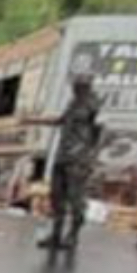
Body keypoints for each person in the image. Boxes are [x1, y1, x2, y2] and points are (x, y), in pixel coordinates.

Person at [39, 75, 102, 252]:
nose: (75, 89)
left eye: (79, 86)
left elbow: (100, 131)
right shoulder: (73, 104)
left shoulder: (94, 105)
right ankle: (55, 234)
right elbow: (60, 120)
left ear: (87, 87)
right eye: (75, 86)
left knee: (75, 198)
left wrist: (90, 154)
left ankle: (73, 235)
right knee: (56, 196)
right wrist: (33, 120)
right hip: (62, 156)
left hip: (78, 159)